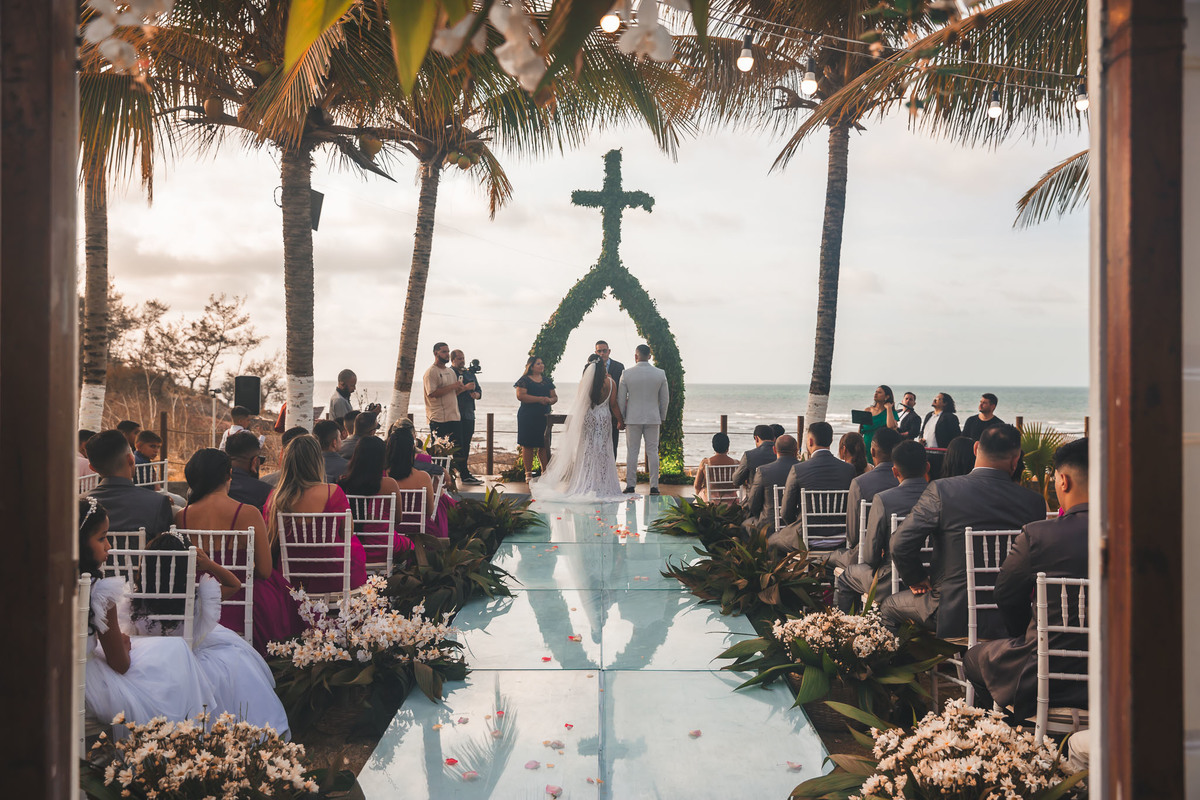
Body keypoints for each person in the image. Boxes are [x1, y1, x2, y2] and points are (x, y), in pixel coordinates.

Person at [881, 424, 1047, 638]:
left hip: (952, 611)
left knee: (887, 606)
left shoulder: (943, 490)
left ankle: (912, 668)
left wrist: (916, 578)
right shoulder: (1034, 502)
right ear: (1016, 461)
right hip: (1013, 621)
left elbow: (900, 543)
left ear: (976, 448)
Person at [963, 438, 1090, 719]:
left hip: (1045, 674)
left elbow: (1006, 595)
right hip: (1123, 676)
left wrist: (1027, 636)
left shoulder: (1039, 535)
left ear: (1064, 481)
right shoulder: (1142, 539)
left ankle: (1008, 735)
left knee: (973, 659)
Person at [132, 529, 290, 737]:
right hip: (196, 661)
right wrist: (209, 565)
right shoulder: (195, 599)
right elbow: (234, 584)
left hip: (152, 662)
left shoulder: (135, 601)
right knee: (236, 668)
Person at [78, 497, 214, 731]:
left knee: (170, 652)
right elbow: (120, 664)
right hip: (87, 685)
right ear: (78, 543)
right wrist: (124, 646)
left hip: (56, 678)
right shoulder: (98, 593)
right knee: (175, 654)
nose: (108, 546)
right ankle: (192, 737)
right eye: (102, 538)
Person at [174, 448, 300, 654]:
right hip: (242, 598)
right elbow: (264, 571)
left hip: (200, 603)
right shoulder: (248, 513)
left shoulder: (182, 516)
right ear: (228, 474)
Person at [834, 441, 930, 612]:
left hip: (890, 579)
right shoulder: (941, 498)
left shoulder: (884, 499)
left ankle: (849, 631)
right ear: (927, 467)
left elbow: (870, 556)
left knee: (846, 576)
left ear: (895, 471)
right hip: (932, 578)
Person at [265, 435, 368, 594]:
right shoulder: (333, 492)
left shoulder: (276, 498)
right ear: (317, 462)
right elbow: (346, 533)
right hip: (335, 577)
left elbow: (271, 540)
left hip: (292, 581)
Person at [531, 355, 625, 501]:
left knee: (587, 449)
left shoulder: (585, 383)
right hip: (603, 419)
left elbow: (582, 403)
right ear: (602, 367)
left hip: (588, 418)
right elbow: (613, 405)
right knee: (603, 450)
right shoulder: (611, 382)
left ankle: (585, 483)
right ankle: (603, 484)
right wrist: (620, 420)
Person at [769, 422, 858, 556]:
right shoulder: (849, 469)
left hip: (807, 538)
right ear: (831, 440)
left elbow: (786, 511)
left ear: (810, 441)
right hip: (840, 537)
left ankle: (789, 575)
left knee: (771, 540)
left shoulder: (798, 469)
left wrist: (797, 528)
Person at [828, 427, 902, 572]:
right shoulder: (906, 482)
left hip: (868, 557)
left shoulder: (860, 483)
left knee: (833, 558)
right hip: (905, 554)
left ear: (872, 451)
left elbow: (853, 536)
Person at [85, 430, 174, 539]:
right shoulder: (158, 503)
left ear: (92, 468)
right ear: (131, 459)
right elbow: (166, 550)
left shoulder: (77, 505)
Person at [338, 435, 416, 556]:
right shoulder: (389, 484)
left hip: (352, 547)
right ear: (381, 458)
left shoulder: (343, 483)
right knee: (410, 545)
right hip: (384, 545)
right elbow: (398, 519)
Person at [618, 344, 670, 495]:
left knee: (632, 452)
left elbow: (621, 400)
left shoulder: (626, 374)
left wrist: (622, 417)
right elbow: (665, 399)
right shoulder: (660, 374)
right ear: (650, 356)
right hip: (653, 418)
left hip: (632, 418)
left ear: (636, 356)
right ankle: (654, 486)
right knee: (653, 452)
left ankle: (630, 485)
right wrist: (662, 416)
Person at [385, 426, 444, 537]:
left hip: (391, 531)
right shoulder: (423, 477)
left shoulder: (383, 477)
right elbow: (429, 511)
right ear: (412, 449)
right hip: (419, 532)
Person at [424, 342, 473, 470]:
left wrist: (463, 389)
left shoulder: (450, 372)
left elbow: (453, 393)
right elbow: (432, 393)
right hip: (439, 418)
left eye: (447, 351)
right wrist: (453, 386)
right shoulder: (431, 372)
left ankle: (464, 475)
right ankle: (442, 478)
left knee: (459, 450)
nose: (447, 354)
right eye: (444, 352)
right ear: (436, 353)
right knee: (440, 453)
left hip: (454, 417)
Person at [742, 434, 801, 533]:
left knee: (744, 525)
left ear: (774, 450)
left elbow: (753, 503)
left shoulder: (763, 471)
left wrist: (759, 516)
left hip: (768, 526)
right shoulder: (803, 470)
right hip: (796, 525)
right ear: (796, 451)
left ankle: (756, 547)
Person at [514, 355, 557, 483]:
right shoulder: (524, 380)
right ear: (531, 366)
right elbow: (521, 396)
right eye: (538, 363)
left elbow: (555, 397)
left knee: (544, 444)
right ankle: (528, 474)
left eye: (542, 363)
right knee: (527, 445)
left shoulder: (547, 380)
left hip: (544, 416)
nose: (542, 365)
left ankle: (545, 473)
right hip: (527, 416)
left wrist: (550, 400)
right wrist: (539, 399)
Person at [450, 349, 484, 485]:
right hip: (455, 413)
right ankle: (463, 473)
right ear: (452, 360)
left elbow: (479, 391)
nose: (462, 361)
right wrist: (465, 388)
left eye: (463, 358)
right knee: (457, 444)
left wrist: (476, 394)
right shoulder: (449, 373)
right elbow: (450, 394)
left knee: (466, 444)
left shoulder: (470, 373)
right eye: (459, 358)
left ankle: (464, 472)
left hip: (469, 413)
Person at [595, 340, 624, 456]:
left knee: (613, 444)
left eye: (604, 350)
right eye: (599, 351)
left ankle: (611, 470)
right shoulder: (591, 367)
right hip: (596, 412)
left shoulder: (619, 366)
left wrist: (612, 381)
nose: (602, 353)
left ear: (609, 351)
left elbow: (622, 388)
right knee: (596, 445)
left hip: (613, 412)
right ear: (596, 352)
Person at [693, 432, 738, 502]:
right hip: (731, 502)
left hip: (711, 503)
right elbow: (739, 484)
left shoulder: (705, 463)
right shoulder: (737, 463)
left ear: (713, 446)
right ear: (728, 446)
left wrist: (700, 497)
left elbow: (696, 485)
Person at [732, 425, 777, 494]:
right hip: (778, 499)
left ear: (756, 438)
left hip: (754, 499)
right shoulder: (781, 454)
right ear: (774, 439)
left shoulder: (749, 455)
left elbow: (736, 480)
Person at [859, 385, 899, 452]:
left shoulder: (891, 412)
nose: (876, 394)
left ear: (887, 396)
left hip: (881, 447)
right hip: (866, 445)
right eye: (876, 392)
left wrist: (889, 408)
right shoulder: (868, 410)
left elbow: (891, 426)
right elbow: (860, 430)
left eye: (879, 392)